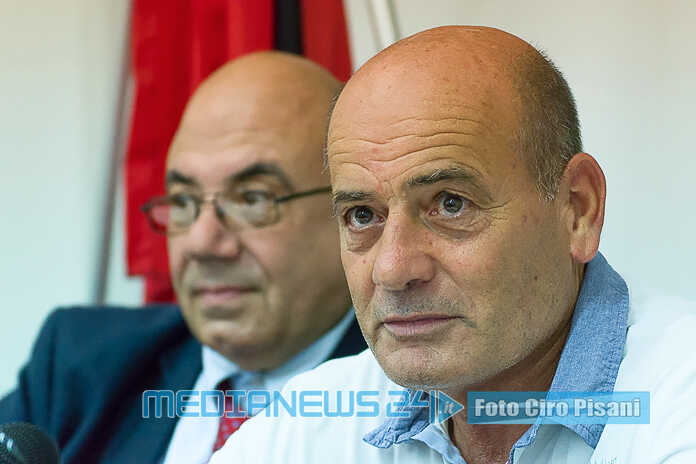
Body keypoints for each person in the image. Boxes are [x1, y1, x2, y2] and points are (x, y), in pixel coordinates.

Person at [210, 26, 696, 463]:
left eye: (450, 204)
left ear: (577, 208)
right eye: (362, 215)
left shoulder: (677, 401)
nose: (392, 269)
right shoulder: (306, 426)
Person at [0, 51, 366, 464]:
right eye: (183, 201)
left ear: (349, 211)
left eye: (252, 199)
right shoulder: (79, 366)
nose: (201, 243)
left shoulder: (408, 398)